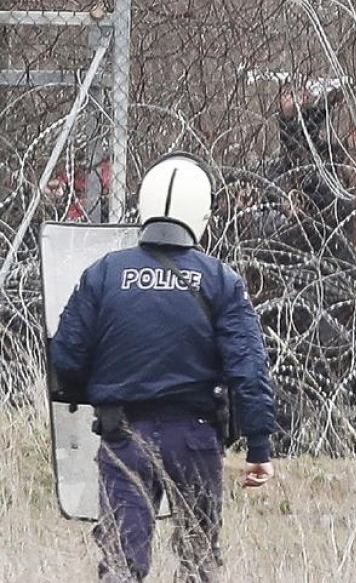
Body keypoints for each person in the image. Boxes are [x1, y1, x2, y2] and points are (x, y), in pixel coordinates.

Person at [50, 153, 278, 583]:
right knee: (197, 560)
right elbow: (248, 368)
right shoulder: (220, 280)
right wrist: (259, 445)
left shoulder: (104, 274)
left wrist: (101, 387)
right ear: (201, 213)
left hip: (123, 436)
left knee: (121, 563)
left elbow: (66, 359)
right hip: (194, 436)